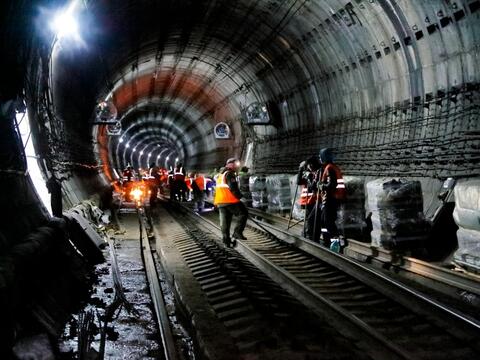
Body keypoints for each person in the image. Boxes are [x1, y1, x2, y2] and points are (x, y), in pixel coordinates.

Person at [214, 158, 248, 247]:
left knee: (225, 222)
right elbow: (233, 188)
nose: (237, 166)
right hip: (229, 200)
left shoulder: (220, 174)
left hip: (220, 202)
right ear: (229, 164)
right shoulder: (229, 174)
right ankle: (237, 232)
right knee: (243, 213)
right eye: (235, 164)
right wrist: (241, 197)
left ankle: (226, 241)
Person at [318, 148, 346, 248]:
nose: (319, 158)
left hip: (331, 199)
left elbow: (332, 184)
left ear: (323, 157)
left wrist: (322, 186)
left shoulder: (329, 168)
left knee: (328, 222)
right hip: (333, 198)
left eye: (320, 156)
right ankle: (327, 241)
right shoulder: (332, 167)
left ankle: (335, 242)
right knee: (323, 221)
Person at [297, 155, 322, 242]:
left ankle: (312, 238)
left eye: (309, 165)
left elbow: (314, 187)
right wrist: (300, 170)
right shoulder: (308, 173)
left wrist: (309, 177)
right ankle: (308, 237)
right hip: (308, 201)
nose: (309, 167)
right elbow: (299, 181)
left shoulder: (318, 173)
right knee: (309, 221)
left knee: (312, 221)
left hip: (315, 200)